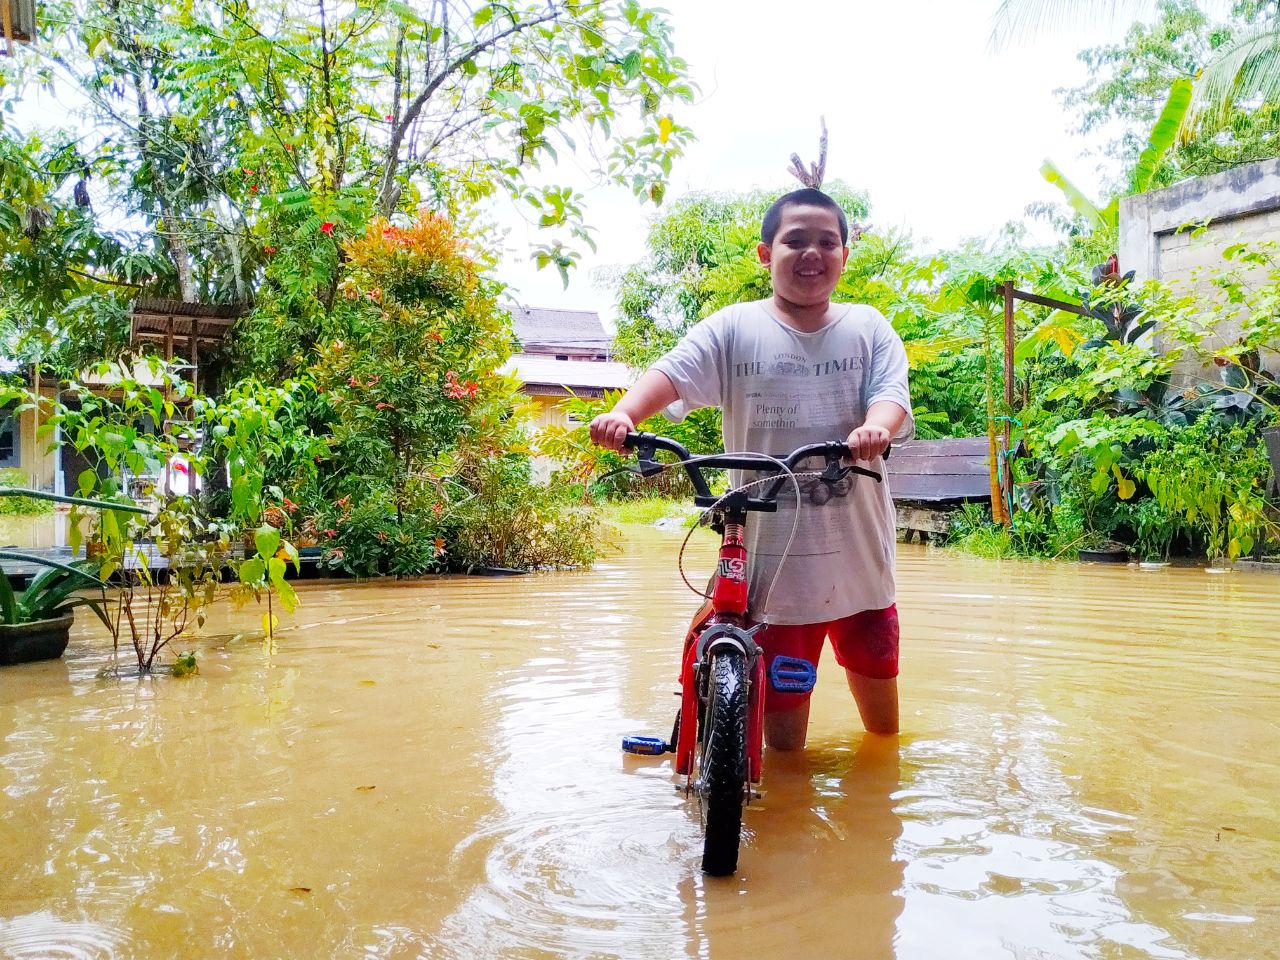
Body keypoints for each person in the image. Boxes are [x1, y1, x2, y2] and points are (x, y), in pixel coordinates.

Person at [590, 187, 912, 747]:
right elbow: (673, 373)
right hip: (776, 572)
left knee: (883, 734)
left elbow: (892, 397)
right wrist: (624, 414)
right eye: (795, 240)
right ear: (766, 253)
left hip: (862, 562)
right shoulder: (733, 328)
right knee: (783, 751)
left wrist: (875, 428)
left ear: (844, 254)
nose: (812, 253)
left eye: (827, 242)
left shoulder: (868, 326)